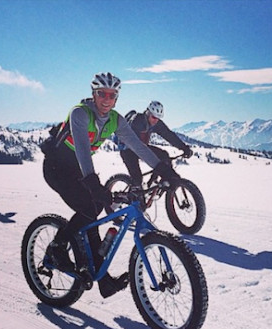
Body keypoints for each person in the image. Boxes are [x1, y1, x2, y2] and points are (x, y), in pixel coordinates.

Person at [42, 72, 180, 299]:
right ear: (94, 94)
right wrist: (92, 182)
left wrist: (162, 168)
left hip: (78, 169)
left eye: (112, 95)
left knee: (93, 211)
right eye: (102, 94)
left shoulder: (116, 119)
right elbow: (82, 150)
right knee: (89, 208)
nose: (107, 99)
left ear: (117, 97)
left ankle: (102, 281)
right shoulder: (80, 113)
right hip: (57, 167)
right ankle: (57, 247)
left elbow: (138, 146)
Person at [119, 100, 193, 187]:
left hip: (143, 147)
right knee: (137, 178)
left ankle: (153, 183)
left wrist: (184, 147)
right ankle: (134, 199)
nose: (156, 120)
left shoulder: (156, 123)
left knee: (164, 156)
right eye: (154, 117)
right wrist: (159, 166)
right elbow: (137, 147)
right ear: (147, 113)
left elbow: (168, 135)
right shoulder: (137, 121)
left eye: (158, 118)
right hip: (128, 150)